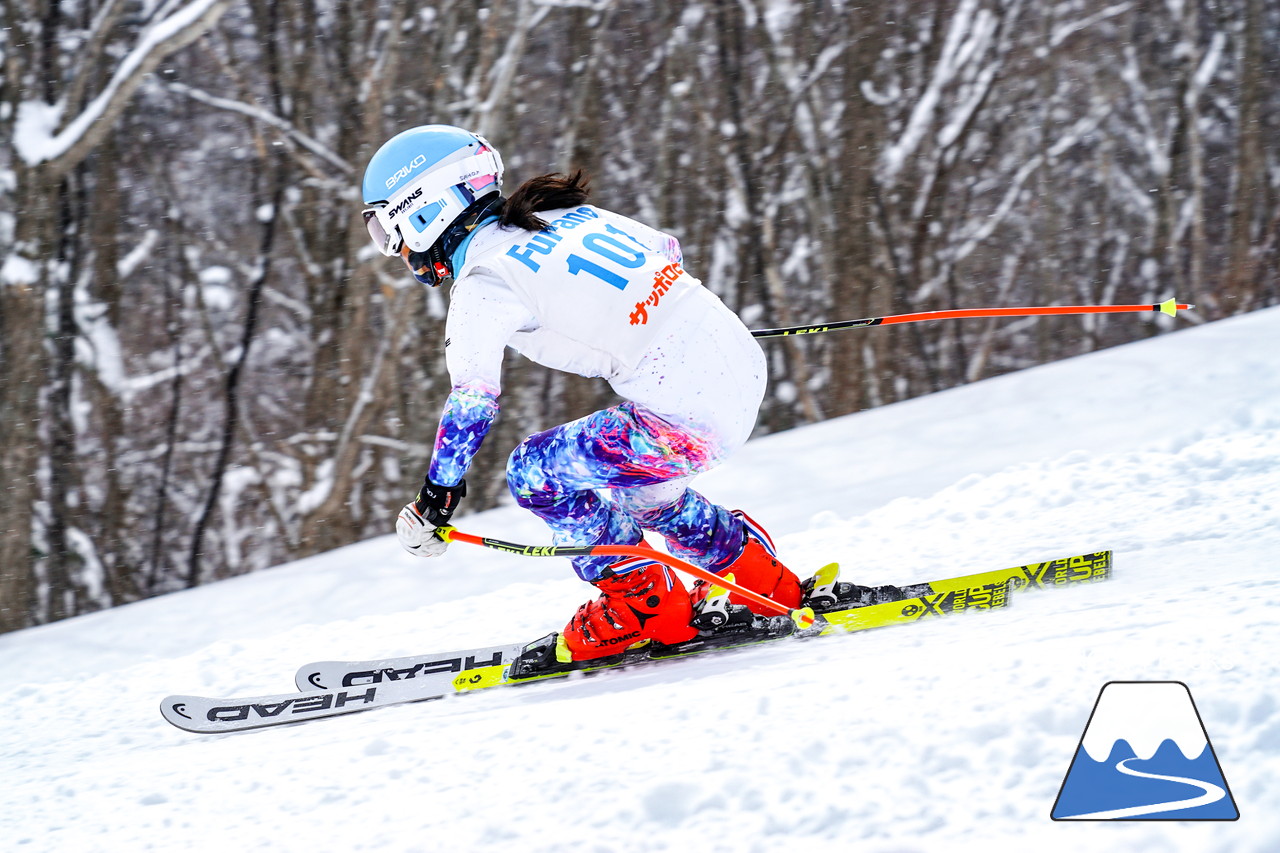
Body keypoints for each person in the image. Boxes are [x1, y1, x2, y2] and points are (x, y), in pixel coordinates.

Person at [360, 125, 803, 661]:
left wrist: (436, 499)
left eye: (388, 232)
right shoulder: (567, 216)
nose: (396, 250)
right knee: (645, 494)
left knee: (533, 472)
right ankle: (761, 584)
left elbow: (472, 401)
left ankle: (646, 607)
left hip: (687, 415)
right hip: (736, 362)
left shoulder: (482, 283)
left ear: (422, 209)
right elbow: (666, 251)